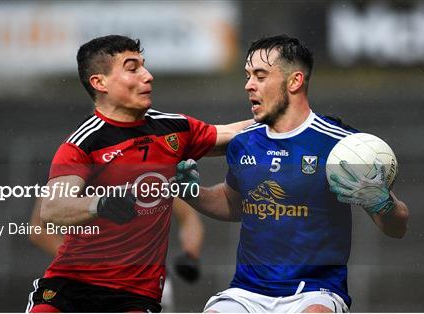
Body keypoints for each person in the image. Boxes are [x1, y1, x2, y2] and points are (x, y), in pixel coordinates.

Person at [175, 35, 410, 313]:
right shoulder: (244, 141)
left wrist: (382, 202)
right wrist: (190, 191)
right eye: (248, 75)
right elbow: (234, 203)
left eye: (260, 76)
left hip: (314, 293)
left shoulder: (342, 146)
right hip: (247, 292)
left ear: (295, 81)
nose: (248, 85)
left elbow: (397, 227)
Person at [25, 34, 252, 313]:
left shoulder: (173, 129)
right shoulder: (83, 144)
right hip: (70, 286)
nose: (148, 75)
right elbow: (51, 210)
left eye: (144, 66)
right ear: (100, 83)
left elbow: (235, 134)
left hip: (135, 296)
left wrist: (287, 116)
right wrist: (103, 204)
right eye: (133, 68)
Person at [28, 197, 204, 312]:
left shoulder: (155, 168)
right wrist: (83, 258)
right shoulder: (75, 161)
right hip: (82, 282)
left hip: (140, 283)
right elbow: (38, 227)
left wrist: (190, 253)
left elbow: (189, 217)